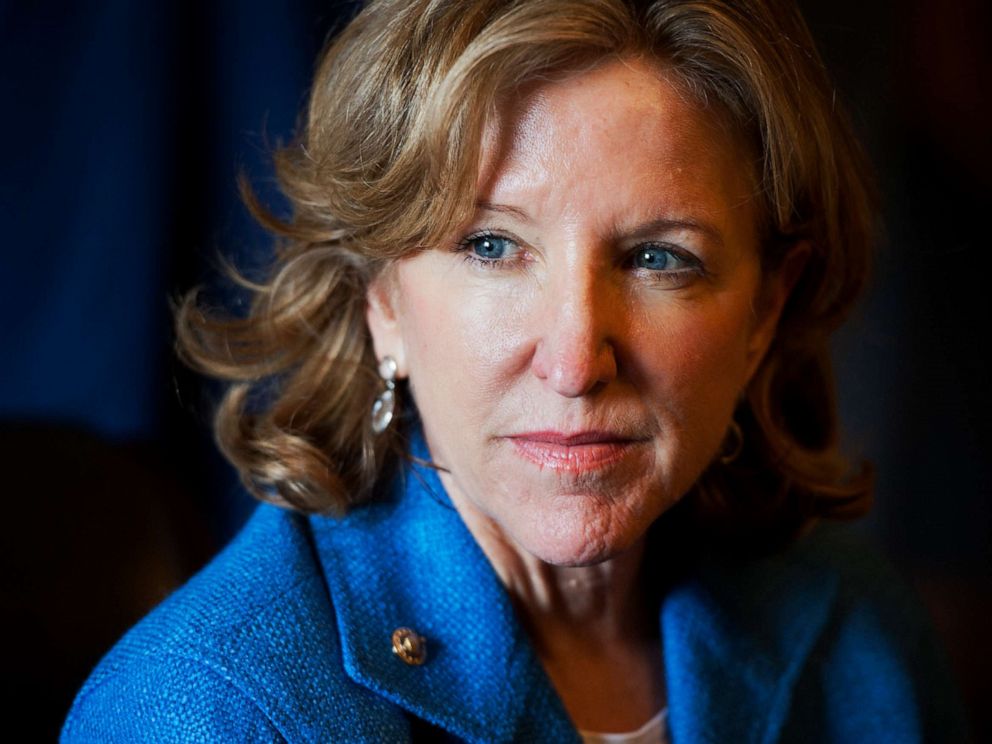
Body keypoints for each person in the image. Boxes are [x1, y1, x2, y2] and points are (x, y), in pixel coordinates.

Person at [62, 0, 965, 741]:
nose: (576, 362)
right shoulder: (208, 711)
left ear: (765, 309)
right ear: (383, 299)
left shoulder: (863, 635)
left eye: (658, 259)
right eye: (491, 246)